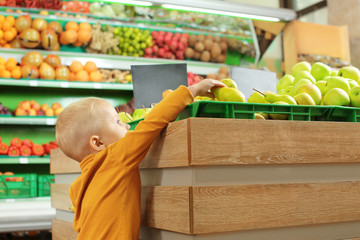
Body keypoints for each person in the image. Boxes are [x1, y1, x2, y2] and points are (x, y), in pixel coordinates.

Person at [55, 79, 225, 240]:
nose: (127, 125)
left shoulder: (77, 187)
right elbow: (152, 123)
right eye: (117, 122)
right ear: (98, 143)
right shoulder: (114, 157)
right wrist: (192, 91)